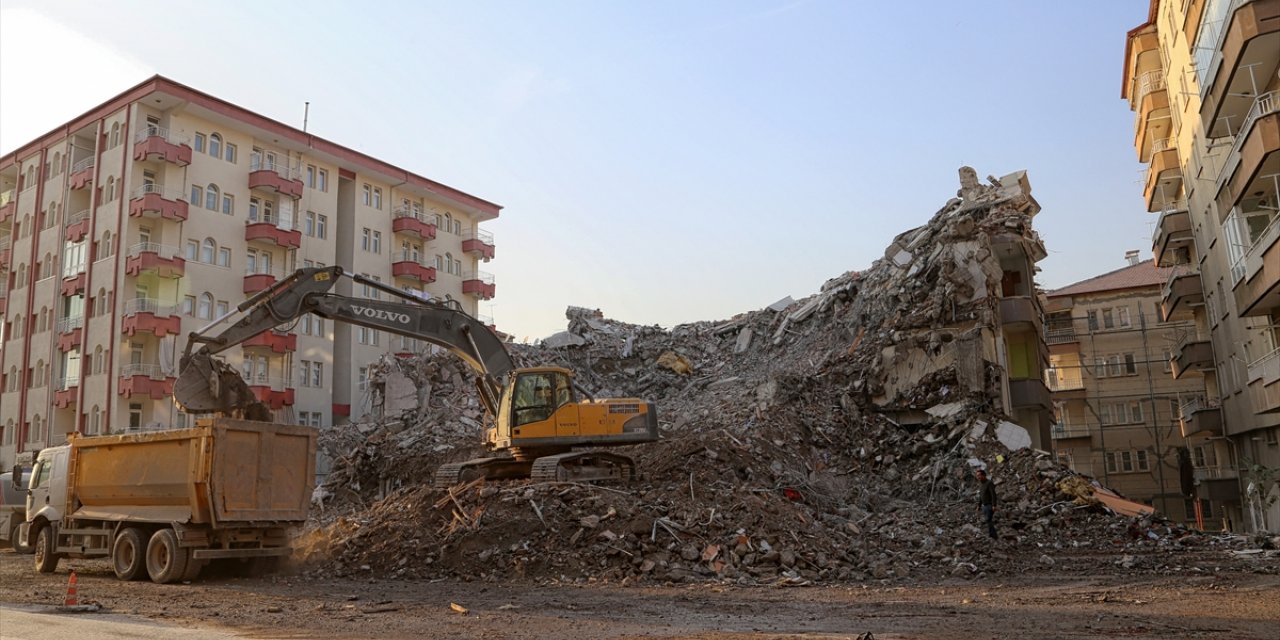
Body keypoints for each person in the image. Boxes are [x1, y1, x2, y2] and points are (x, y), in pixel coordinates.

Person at [975, 468, 997, 539]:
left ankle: (993, 536)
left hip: (989, 505)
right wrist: (979, 505)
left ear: (984, 475)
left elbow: (993, 494)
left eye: (979, 475)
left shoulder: (989, 483)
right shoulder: (981, 484)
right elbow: (981, 496)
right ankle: (992, 534)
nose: (978, 477)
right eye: (977, 476)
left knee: (988, 519)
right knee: (988, 520)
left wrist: (994, 505)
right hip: (984, 506)